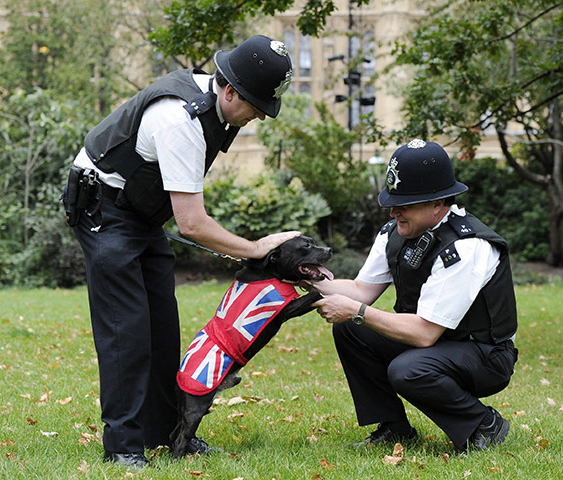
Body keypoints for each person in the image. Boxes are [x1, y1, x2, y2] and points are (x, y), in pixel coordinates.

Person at [62, 35, 299, 468]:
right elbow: (191, 222)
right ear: (230, 91)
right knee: (127, 329)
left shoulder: (215, 109)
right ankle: (123, 447)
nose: (257, 118)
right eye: (256, 108)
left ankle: (166, 434)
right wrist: (255, 249)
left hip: (140, 213)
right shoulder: (180, 121)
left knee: (162, 326)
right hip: (105, 208)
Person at [311, 139, 518, 452]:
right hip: (437, 344)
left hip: (483, 356)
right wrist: (304, 278)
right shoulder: (394, 232)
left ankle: (483, 424)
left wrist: (357, 311)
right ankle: (394, 428)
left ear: (437, 204)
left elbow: (424, 334)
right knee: (350, 329)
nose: (393, 211)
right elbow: (361, 291)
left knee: (407, 369)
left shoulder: (466, 247)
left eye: (404, 203)